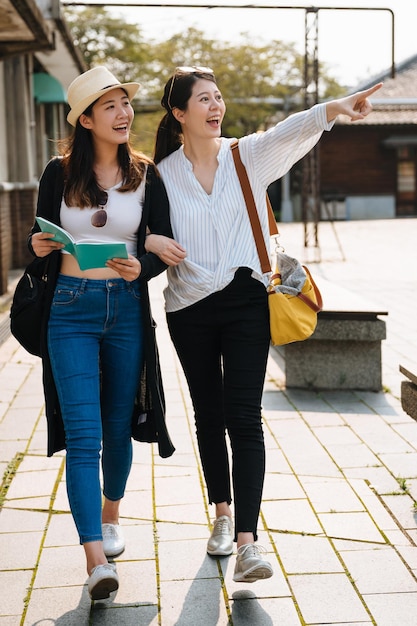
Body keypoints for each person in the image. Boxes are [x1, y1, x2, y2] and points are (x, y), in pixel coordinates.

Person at [145, 66, 382, 583]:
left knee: (243, 417)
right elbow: (140, 232)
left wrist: (336, 108)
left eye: (218, 96)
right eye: (202, 99)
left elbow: (289, 130)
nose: (215, 106)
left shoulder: (243, 156)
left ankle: (249, 542)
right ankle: (222, 517)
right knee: (208, 415)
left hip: (248, 299)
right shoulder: (160, 176)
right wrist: (148, 243)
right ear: (179, 113)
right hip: (188, 308)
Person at [29, 65, 180, 600]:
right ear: (86, 119)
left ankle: (111, 517)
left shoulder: (146, 174)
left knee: (118, 429)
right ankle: (96, 561)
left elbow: (160, 246)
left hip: (125, 311)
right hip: (69, 309)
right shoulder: (57, 172)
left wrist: (145, 266)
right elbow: (39, 237)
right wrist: (41, 245)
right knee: (83, 438)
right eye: (110, 105)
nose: (123, 113)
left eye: (125, 104)